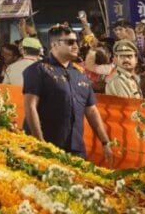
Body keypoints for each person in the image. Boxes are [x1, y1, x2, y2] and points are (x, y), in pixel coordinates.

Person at [23, 24, 114, 163]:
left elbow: (91, 111)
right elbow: (30, 107)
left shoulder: (80, 74)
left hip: (76, 149)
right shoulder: (38, 70)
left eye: (76, 41)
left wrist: (105, 142)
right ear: (54, 44)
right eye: (70, 42)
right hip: (46, 147)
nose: (76, 46)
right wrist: (39, 142)